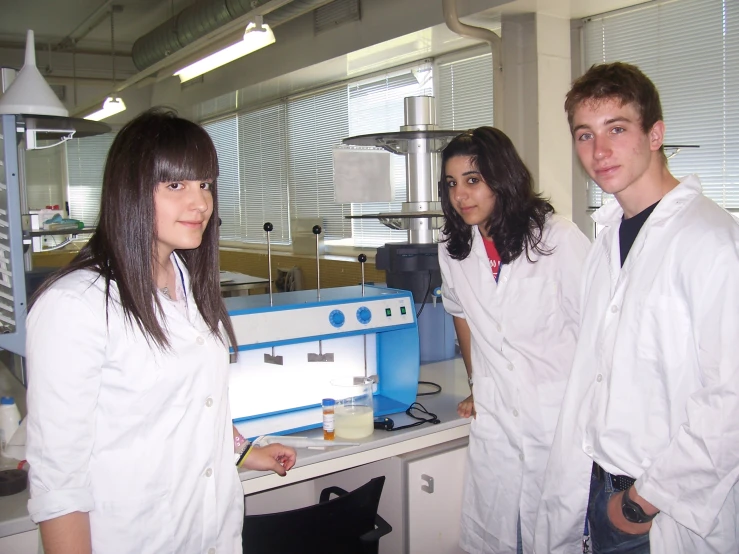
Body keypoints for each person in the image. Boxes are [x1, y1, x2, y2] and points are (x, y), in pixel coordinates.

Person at [25, 108, 296, 554]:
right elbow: (58, 482)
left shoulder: (186, 281)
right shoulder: (75, 305)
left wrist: (244, 452)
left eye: (205, 183)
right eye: (176, 185)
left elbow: (187, 405)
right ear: (129, 192)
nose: (201, 202)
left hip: (211, 534)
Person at [534, 62, 739, 554]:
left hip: (660, 506)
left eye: (617, 129)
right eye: (585, 135)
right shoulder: (609, 240)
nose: (599, 151)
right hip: (600, 483)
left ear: (655, 134)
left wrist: (639, 503)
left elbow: (731, 398)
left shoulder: (711, 240)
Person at [438, 127, 590, 554]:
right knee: (501, 536)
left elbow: (598, 329)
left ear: (501, 179)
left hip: (559, 420)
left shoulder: (555, 238)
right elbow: (461, 312)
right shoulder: (453, 249)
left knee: (555, 536)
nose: (461, 196)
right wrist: (476, 383)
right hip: (499, 422)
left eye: (473, 180)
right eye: (452, 184)